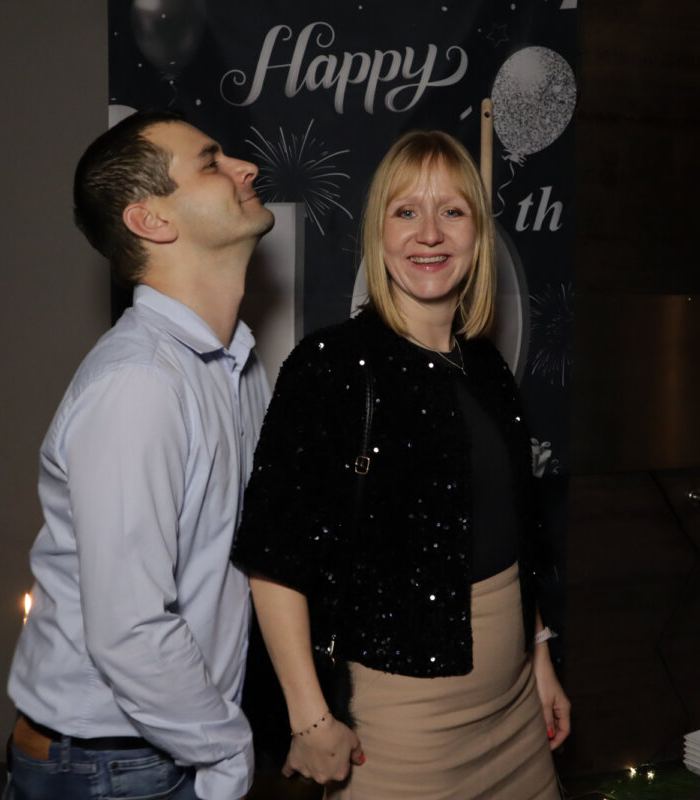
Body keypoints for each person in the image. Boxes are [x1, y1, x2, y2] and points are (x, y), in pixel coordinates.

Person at [232, 130, 570, 799]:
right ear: (379, 233)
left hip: (515, 711)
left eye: (453, 211)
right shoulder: (330, 367)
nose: (430, 234)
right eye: (407, 211)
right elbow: (274, 559)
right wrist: (310, 717)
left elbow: (518, 534)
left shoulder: (488, 368)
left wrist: (540, 658)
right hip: (403, 726)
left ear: (478, 235)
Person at [4, 109, 274, 800]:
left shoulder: (237, 365)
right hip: (110, 768)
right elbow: (129, 629)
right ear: (150, 220)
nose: (245, 168)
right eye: (211, 163)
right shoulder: (139, 385)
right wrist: (228, 754)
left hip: (163, 749)